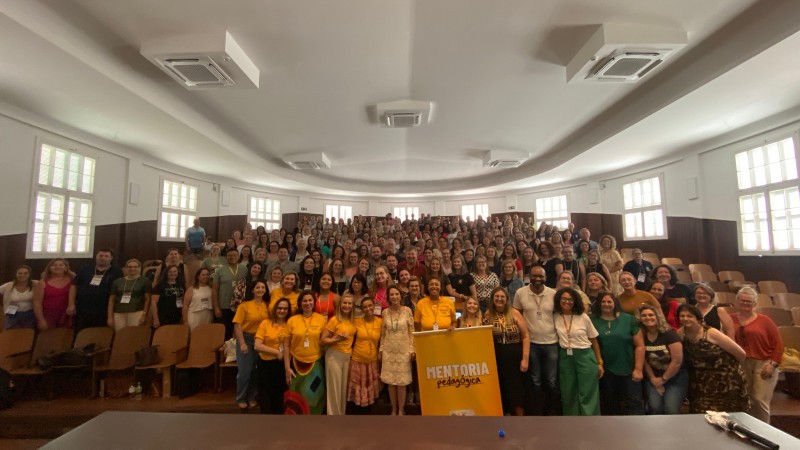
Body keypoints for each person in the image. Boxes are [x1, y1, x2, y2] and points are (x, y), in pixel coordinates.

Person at [677, 304, 749, 414]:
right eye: (682, 316)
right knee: (701, 416)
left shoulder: (711, 332)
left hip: (726, 381)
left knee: (728, 415)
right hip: (700, 384)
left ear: (698, 318)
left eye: (689, 316)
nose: (685, 319)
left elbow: (741, 354)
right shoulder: (681, 333)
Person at [731, 287, 783, 423]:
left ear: (754, 303)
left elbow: (778, 344)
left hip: (764, 362)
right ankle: (747, 429)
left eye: (749, 301)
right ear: (737, 301)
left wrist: (773, 364)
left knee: (759, 399)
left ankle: (765, 433)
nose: (745, 304)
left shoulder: (765, 321)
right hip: (741, 363)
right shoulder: (730, 319)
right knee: (744, 398)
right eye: (743, 300)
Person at [513, 265, 559, 415]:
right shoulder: (520, 293)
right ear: (529, 277)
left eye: (541, 276)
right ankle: (537, 411)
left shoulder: (553, 293)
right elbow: (517, 315)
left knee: (551, 381)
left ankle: (552, 411)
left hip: (551, 342)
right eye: (534, 276)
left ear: (546, 278)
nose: (538, 279)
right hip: (531, 343)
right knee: (535, 381)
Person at [590, 292, 645, 415]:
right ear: (598, 304)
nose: (606, 304)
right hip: (605, 371)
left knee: (634, 403)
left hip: (629, 370)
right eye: (603, 302)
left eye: (609, 301)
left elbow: (640, 345)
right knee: (610, 404)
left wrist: (638, 369)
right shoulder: (591, 320)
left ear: (615, 303)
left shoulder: (629, 319)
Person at [553, 287, 603, 416]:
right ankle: (571, 421)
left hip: (585, 355)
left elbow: (594, 341)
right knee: (568, 391)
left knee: (587, 392)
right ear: (559, 300)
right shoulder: (555, 316)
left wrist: (599, 362)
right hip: (566, 356)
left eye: (570, 299)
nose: (567, 302)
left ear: (575, 301)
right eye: (564, 299)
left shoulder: (583, 317)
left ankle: (589, 422)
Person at [483, 287, 529, 416]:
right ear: (492, 299)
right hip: (497, 355)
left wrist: (525, 358)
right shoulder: (488, 314)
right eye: (496, 296)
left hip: (515, 353)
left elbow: (526, 336)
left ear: (507, 299)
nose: (499, 299)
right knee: (500, 386)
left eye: (502, 296)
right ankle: (504, 415)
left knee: (516, 387)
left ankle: (520, 418)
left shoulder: (514, 313)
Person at [282, 290, 327, 415]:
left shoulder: (320, 319)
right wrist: (287, 367)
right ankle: (295, 429)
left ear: (314, 302)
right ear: (300, 304)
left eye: (310, 300)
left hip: (315, 365)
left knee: (315, 399)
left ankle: (314, 428)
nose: (307, 303)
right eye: (305, 301)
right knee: (294, 401)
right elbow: (286, 345)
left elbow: (324, 341)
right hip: (295, 365)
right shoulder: (292, 320)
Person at [639, 304, 688, 415]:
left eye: (651, 315)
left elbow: (677, 361)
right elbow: (645, 361)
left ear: (657, 316)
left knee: (670, 409)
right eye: (644, 315)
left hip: (675, 377)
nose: (648, 318)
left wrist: (663, 380)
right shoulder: (642, 336)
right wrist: (653, 379)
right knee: (655, 407)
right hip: (654, 377)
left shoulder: (669, 334)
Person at [232, 280, 270, 410]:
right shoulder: (244, 305)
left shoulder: (267, 305)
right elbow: (237, 325)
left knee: (255, 371)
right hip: (246, 339)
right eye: (257, 287)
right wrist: (242, 343)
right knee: (244, 372)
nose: (260, 289)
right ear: (252, 290)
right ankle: (241, 398)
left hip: (261, 340)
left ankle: (251, 397)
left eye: (263, 287)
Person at [380, 286, 415, 415]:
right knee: (390, 382)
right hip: (389, 351)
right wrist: (381, 350)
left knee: (401, 382)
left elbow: (412, 332)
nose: (394, 297)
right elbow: (383, 333)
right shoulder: (385, 312)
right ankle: (393, 408)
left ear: (401, 296)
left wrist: (412, 349)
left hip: (404, 350)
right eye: (391, 295)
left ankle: (401, 410)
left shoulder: (407, 311)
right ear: (388, 297)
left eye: (396, 294)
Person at [321, 292, 356, 415]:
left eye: (349, 303)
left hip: (347, 356)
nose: (347, 306)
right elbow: (323, 340)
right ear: (340, 305)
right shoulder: (334, 320)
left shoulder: (353, 321)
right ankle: (333, 415)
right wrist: (337, 339)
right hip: (334, 355)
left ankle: (341, 414)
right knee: (334, 388)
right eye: (344, 303)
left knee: (343, 388)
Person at [254, 297, 291, 414]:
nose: (282, 311)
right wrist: (276, 352)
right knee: (266, 397)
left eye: (285, 308)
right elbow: (257, 346)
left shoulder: (289, 325)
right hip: (266, 364)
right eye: (280, 308)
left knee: (280, 397)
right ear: (275, 309)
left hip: (281, 365)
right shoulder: (265, 323)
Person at [73, 248, 123, 332]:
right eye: (101, 255)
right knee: (81, 333)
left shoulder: (117, 272)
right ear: (96, 257)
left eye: (106, 256)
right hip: (83, 309)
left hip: (104, 310)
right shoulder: (85, 269)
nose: (103, 258)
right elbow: (74, 285)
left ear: (111, 258)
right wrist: (71, 303)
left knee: (100, 333)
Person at [212, 248, 248, 339]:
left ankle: (235, 352)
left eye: (235, 255)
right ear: (226, 257)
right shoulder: (219, 271)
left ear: (238, 256)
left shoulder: (244, 269)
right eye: (230, 256)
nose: (232, 257)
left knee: (237, 332)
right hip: (224, 306)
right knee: (224, 333)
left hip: (240, 306)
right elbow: (214, 290)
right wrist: (216, 307)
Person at [107, 259, 151, 331]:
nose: (132, 269)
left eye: (135, 267)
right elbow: (111, 300)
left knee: (133, 335)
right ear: (126, 268)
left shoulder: (145, 281)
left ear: (139, 268)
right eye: (129, 267)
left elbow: (148, 299)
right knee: (119, 335)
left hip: (136, 312)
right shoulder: (117, 282)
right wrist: (110, 317)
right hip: (119, 313)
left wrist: (144, 315)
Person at [1, 265, 37, 329]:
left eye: (25, 273)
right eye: (20, 273)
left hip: (29, 314)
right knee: (10, 334)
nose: (22, 275)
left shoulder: (35, 284)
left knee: (28, 334)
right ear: (16, 274)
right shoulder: (8, 285)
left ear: (29, 275)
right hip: (12, 314)